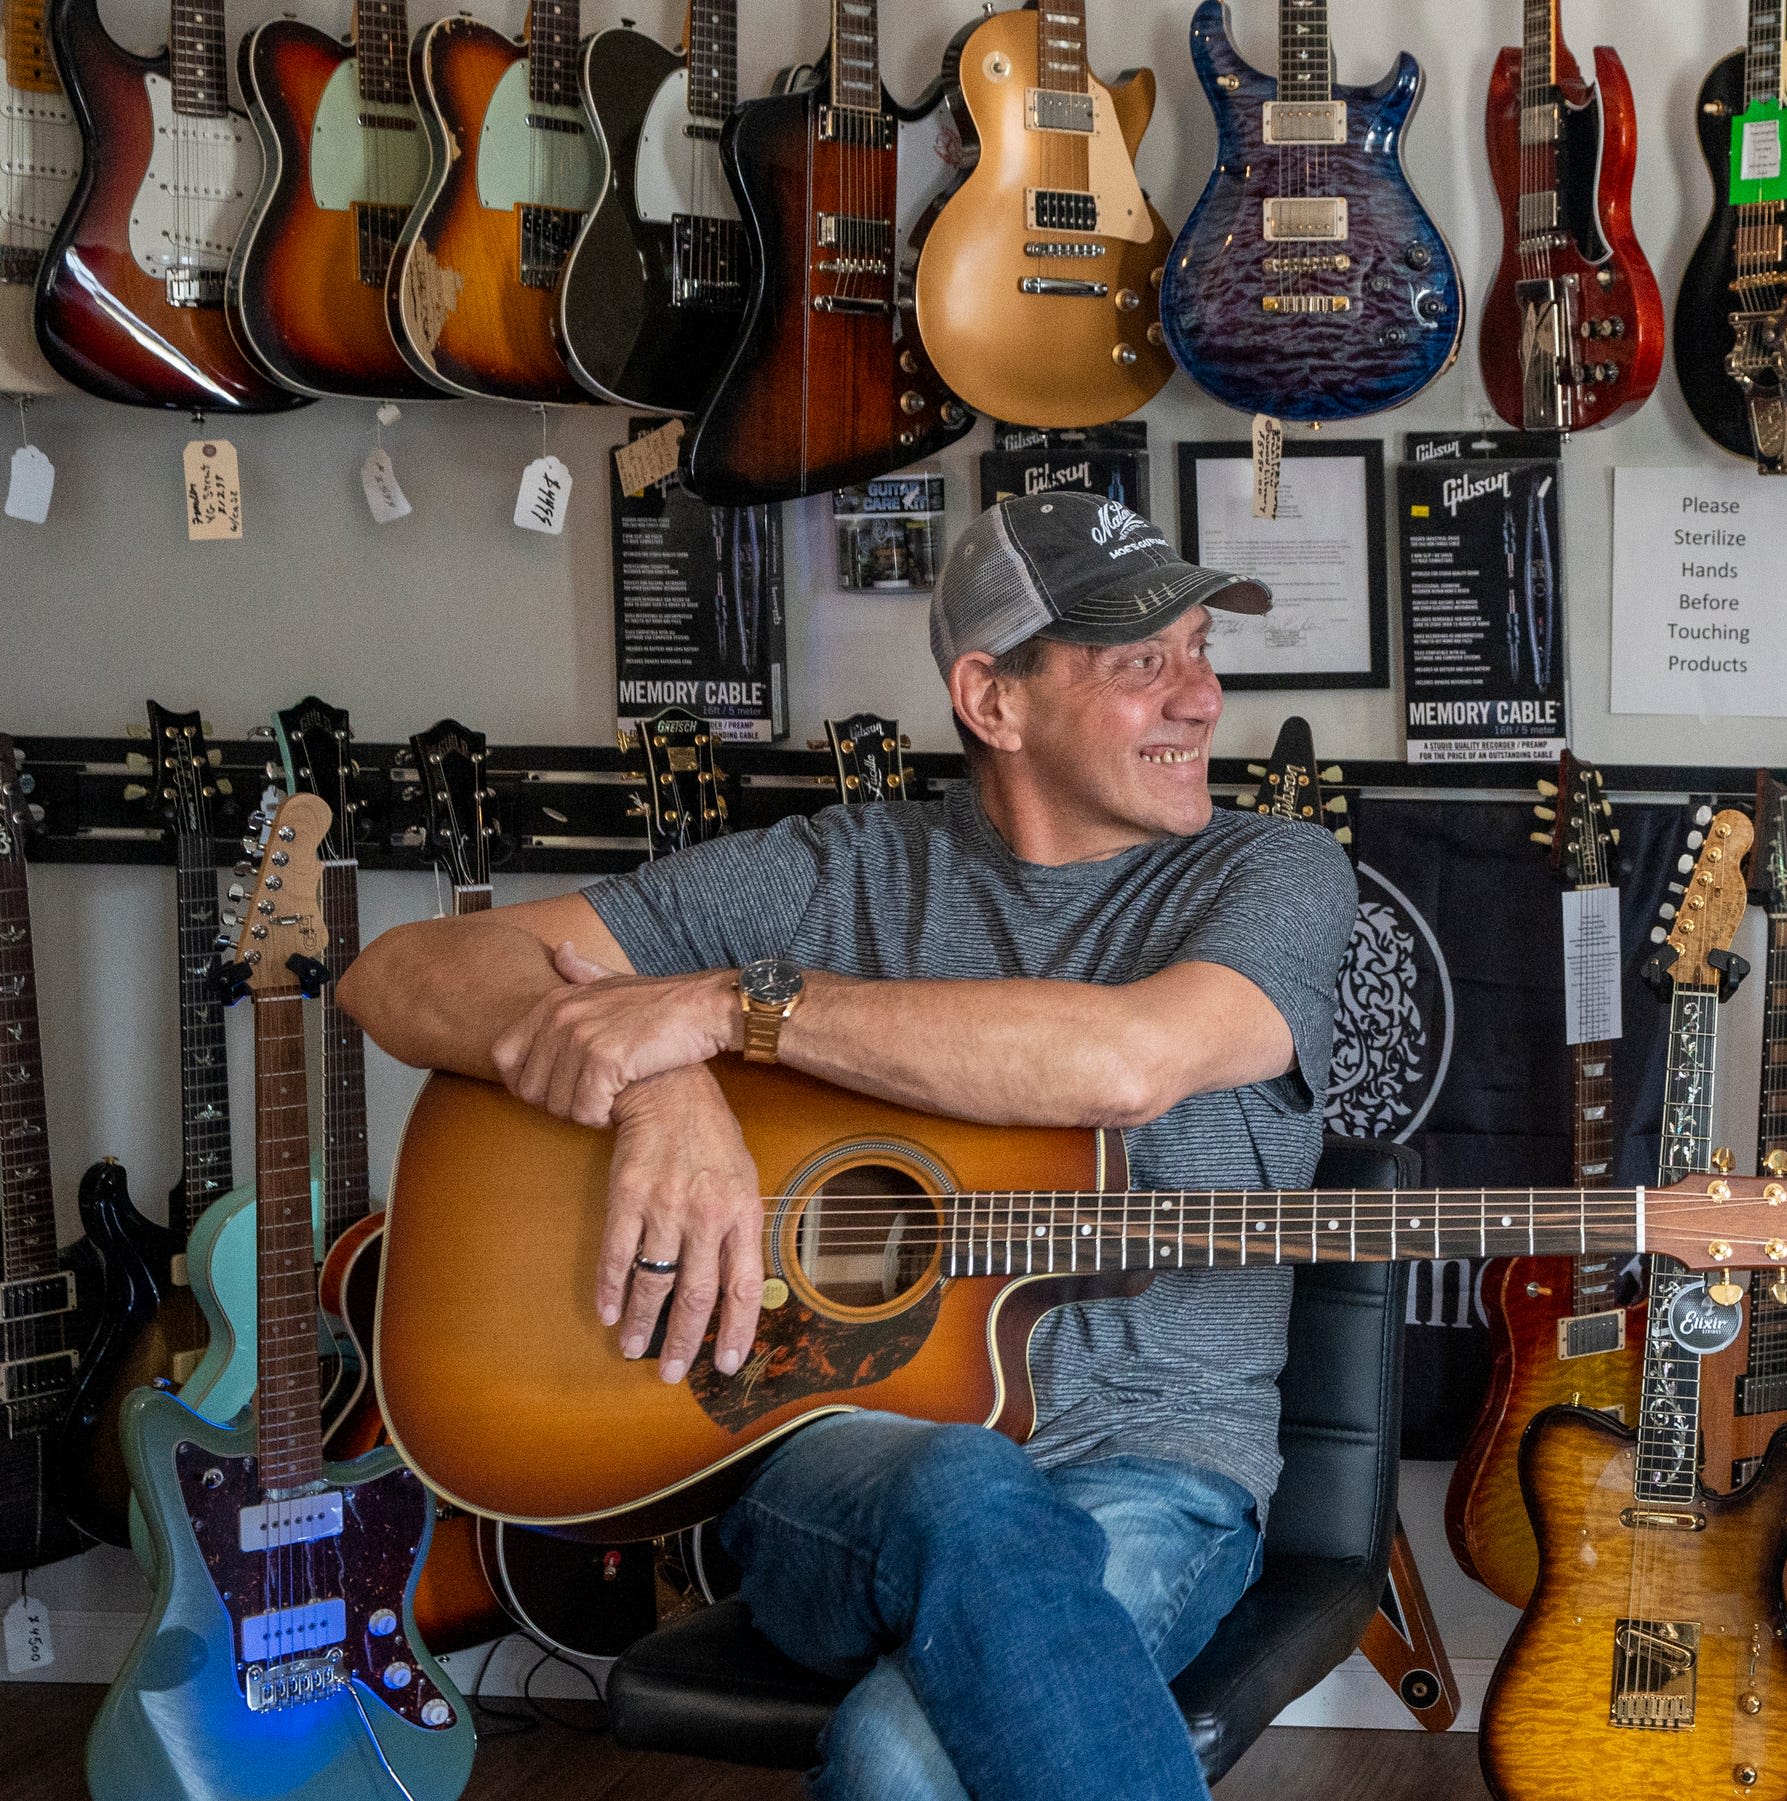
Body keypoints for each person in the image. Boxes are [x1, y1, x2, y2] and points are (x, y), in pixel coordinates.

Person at [340, 493, 1356, 1801]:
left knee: (895, 1753)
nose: (1201, 699)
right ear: (992, 700)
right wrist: (663, 1095)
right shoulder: (842, 875)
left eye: (1204, 650)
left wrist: (722, 1014)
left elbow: (1127, 1061)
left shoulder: (1272, 875)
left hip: (1152, 1480)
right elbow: (402, 971)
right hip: (842, 1482)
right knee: (964, 1480)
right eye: (1140, 662)